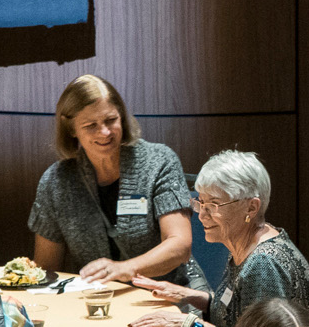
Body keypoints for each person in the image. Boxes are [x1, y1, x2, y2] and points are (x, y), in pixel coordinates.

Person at [127, 149, 309, 327]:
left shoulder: (263, 264)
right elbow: (235, 310)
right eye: (201, 203)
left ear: (251, 208)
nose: (202, 215)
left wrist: (188, 324)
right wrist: (187, 294)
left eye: (214, 205)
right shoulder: (247, 242)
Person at [27, 75, 200, 287]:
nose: (105, 132)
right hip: (93, 303)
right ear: (71, 129)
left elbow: (180, 246)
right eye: (91, 125)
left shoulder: (159, 162)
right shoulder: (56, 181)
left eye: (111, 120)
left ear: (122, 117)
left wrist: (124, 268)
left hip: (162, 297)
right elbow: (47, 269)